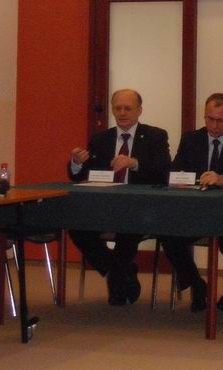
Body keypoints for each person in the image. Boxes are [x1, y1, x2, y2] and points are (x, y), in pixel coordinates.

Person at [68, 89, 171, 306]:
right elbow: (80, 175)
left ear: (139, 111)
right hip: (104, 207)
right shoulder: (100, 139)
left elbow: (164, 171)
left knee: (127, 229)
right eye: (118, 108)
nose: (122, 113)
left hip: (139, 208)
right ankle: (121, 272)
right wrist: (76, 163)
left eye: (128, 108)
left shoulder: (155, 136)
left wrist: (134, 163)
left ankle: (117, 282)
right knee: (76, 228)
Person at [162, 93, 223, 312]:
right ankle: (197, 284)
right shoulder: (191, 139)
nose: (214, 125)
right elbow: (174, 171)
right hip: (195, 212)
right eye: (210, 119)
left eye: (221, 121)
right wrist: (182, 180)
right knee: (169, 237)